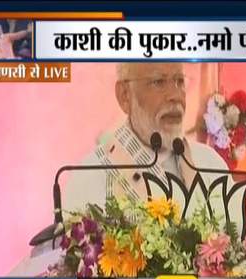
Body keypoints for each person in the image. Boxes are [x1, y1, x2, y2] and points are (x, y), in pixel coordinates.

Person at [63, 62, 232, 213]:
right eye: (158, 82)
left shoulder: (211, 165)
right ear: (124, 95)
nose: (175, 96)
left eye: (180, 81)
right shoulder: (90, 176)